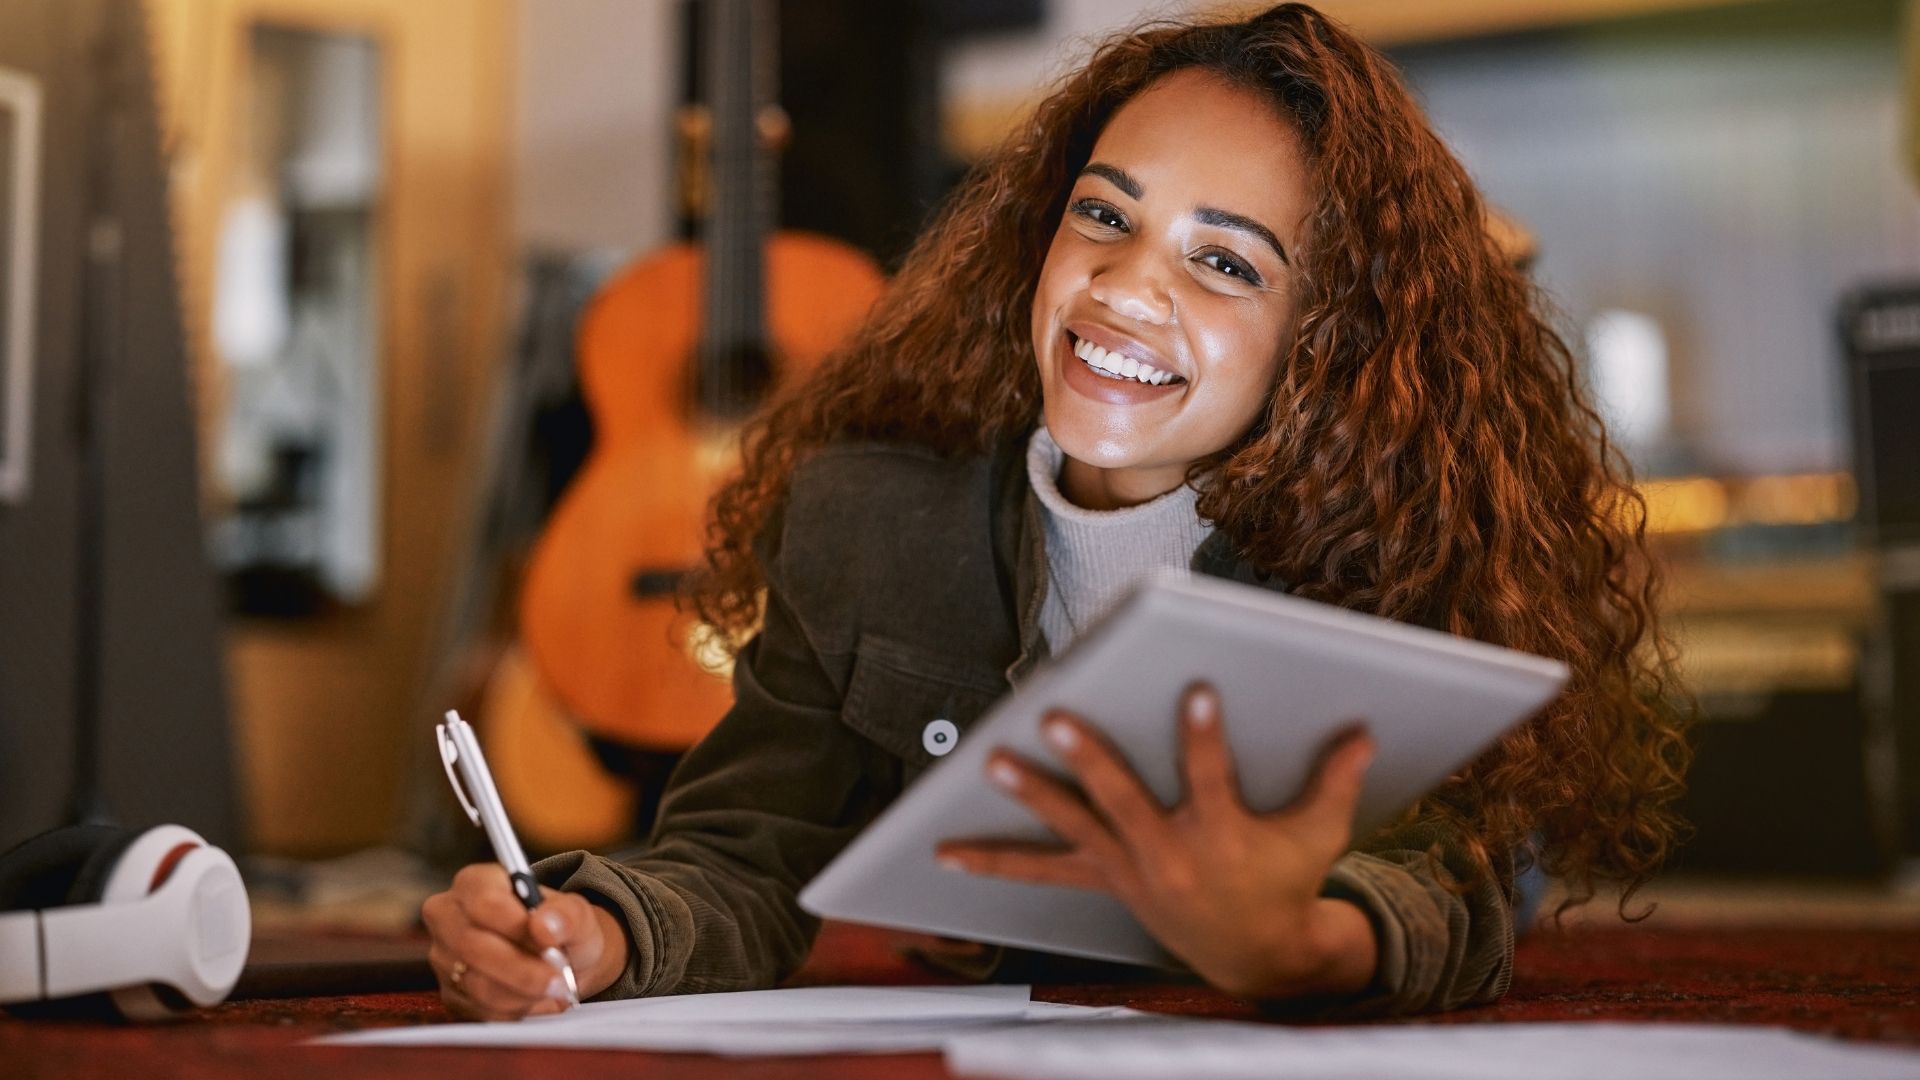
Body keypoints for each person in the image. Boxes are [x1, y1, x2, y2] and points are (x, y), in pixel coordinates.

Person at [421, 2, 1690, 1020]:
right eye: (1104, 214)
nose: (1127, 288)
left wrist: (1299, 941)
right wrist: (596, 928)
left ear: (1328, 340)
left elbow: (1453, 883)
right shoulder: (861, 523)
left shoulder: (1390, 547)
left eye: (1226, 261)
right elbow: (744, 853)